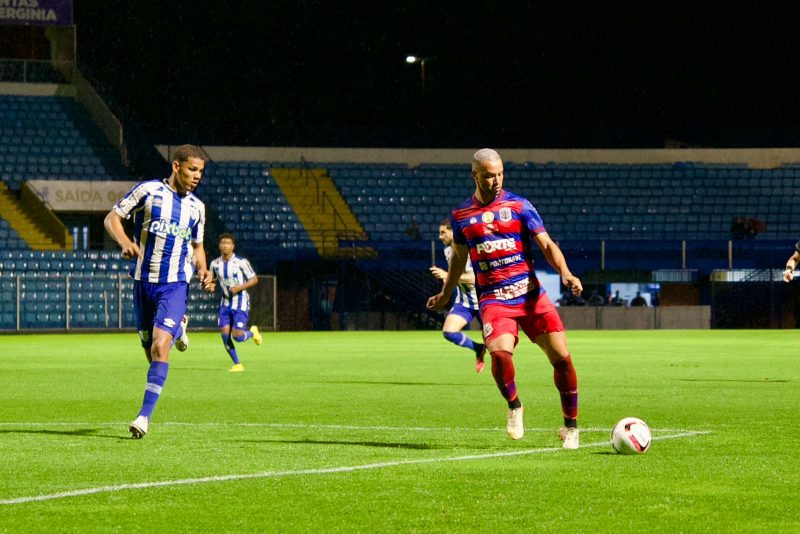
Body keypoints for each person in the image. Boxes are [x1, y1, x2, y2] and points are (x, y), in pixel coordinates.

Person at [426, 148, 583, 449]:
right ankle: (514, 406)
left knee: (562, 358)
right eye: (488, 176)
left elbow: (547, 245)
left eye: (499, 174)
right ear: (474, 175)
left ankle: (571, 427)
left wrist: (565, 272)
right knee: (499, 353)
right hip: (494, 300)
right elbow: (458, 258)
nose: (495, 180)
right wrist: (446, 292)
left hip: (530, 295)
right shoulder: (461, 216)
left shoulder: (520, 205)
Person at [104, 144, 214, 439]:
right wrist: (125, 242)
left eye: (201, 171)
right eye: (192, 169)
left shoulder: (197, 208)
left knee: (158, 347)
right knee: (149, 350)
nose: (197, 176)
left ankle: (143, 417)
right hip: (143, 283)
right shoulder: (149, 191)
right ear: (176, 166)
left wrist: (203, 270)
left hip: (175, 284)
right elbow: (111, 218)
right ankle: (180, 328)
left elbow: (198, 247)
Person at [429, 218, 486, 372]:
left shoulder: (471, 250)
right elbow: (454, 277)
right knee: (449, 332)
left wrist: (446, 275)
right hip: (465, 303)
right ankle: (478, 348)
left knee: (496, 345)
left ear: (454, 232)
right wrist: (442, 294)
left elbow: (474, 279)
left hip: (484, 303)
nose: (440, 237)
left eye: (443, 233)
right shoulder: (448, 251)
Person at [208, 232, 263, 371]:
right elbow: (212, 281)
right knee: (224, 333)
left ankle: (252, 332)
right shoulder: (214, 264)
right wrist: (210, 286)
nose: (225, 245)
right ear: (219, 246)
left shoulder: (241, 262)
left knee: (238, 336)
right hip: (225, 303)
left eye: (228, 243)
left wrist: (240, 287)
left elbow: (254, 279)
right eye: (223, 243)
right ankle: (237, 364)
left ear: (233, 246)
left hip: (240, 302)